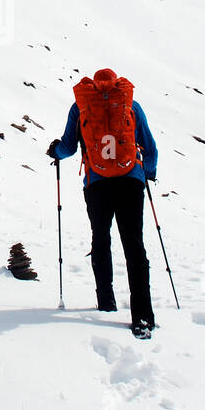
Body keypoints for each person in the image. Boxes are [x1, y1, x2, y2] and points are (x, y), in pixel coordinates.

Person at [47, 68, 158, 337]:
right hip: (130, 181)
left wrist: (55, 151)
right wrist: (149, 173)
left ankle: (106, 301)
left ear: (94, 85)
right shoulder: (130, 103)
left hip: (97, 184)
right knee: (134, 245)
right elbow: (149, 146)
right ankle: (142, 317)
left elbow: (69, 146)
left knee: (101, 239)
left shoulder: (82, 105)